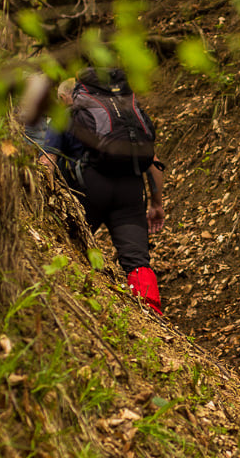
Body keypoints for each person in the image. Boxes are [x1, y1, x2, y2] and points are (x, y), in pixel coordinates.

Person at [27, 68, 167, 313]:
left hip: (88, 192)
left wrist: (38, 202)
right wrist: (157, 204)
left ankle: (61, 304)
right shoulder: (129, 117)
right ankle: (153, 318)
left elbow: (46, 164)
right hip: (131, 193)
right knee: (137, 261)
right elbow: (153, 164)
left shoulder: (67, 118)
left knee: (68, 243)